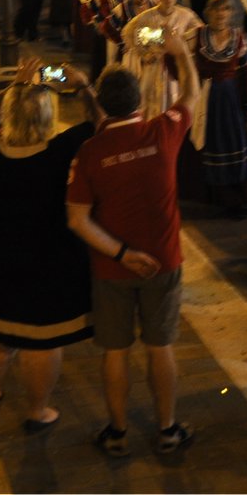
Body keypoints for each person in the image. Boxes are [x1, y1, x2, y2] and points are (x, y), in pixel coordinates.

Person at [66, 36, 200, 457]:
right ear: (141, 97)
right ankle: (167, 429)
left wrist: (122, 254)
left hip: (112, 269)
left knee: (115, 351)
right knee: (161, 347)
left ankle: (118, 432)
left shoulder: (90, 152)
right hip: (163, 261)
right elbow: (193, 95)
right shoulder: (164, 131)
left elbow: (77, 220)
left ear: (102, 104)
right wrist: (181, 55)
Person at [0, 59, 102, 431]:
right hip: (47, 261)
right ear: (47, 115)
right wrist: (83, 86)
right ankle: (37, 411)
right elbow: (102, 124)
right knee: (40, 341)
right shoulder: (61, 150)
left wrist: (14, 89)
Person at [192, 0, 247, 218]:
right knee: (211, 143)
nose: (220, 14)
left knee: (235, 144)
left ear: (231, 13)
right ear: (208, 13)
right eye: (216, 10)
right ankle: (217, 196)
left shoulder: (239, 37)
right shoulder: (197, 36)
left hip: (231, 100)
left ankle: (238, 198)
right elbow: (185, 67)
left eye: (225, 10)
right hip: (206, 100)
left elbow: (246, 73)